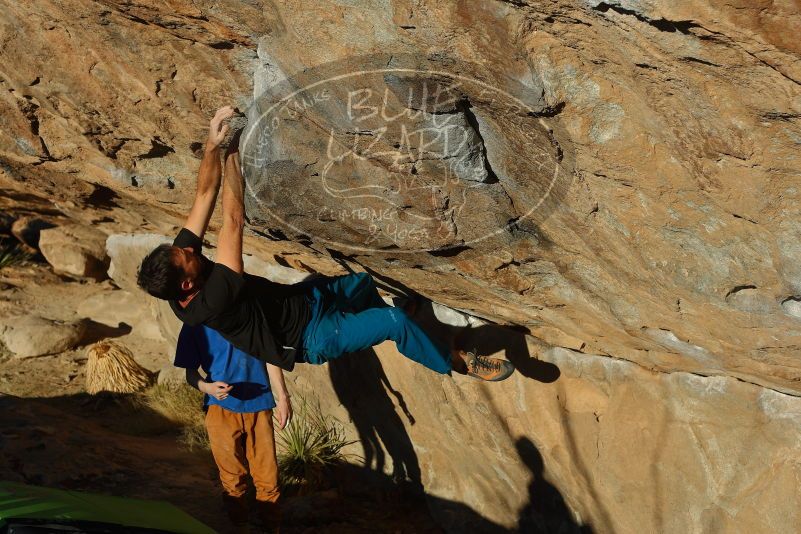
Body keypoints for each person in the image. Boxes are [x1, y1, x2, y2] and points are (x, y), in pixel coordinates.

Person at [137, 106, 514, 382]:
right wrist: (234, 150)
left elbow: (204, 197)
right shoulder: (212, 300)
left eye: (183, 249)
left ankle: (382, 324)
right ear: (187, 283)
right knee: (394, 321)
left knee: (362, 285)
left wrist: (211, 143)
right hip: (309, 338)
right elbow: (232, 221)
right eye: (186, 257)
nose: (190, 249)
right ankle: (455, 361)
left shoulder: (174, 279)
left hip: (305, 302)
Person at [175, 322, 290, 530]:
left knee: (268, 476)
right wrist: (208, 388)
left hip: (260, 405)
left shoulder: (252, 314)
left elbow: (271, 357)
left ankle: (272, 526)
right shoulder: (195, 323)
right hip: (220, 409)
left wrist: (282, 396)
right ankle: (239, 525)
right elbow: (190, 373)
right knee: (232, 478)